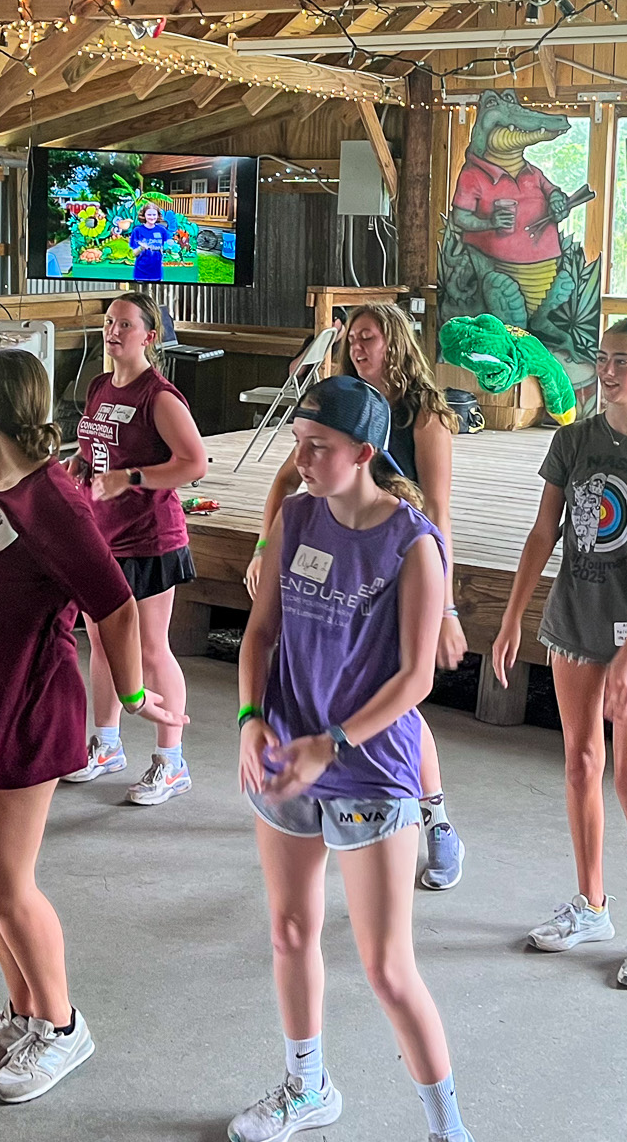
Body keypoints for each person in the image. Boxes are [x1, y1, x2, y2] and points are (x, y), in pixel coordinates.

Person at [0, 349, 182, 1104]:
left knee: (5, 881)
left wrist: (132, 693)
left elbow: (114, 604)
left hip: (19, 706)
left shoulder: (51, 501)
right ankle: (23, 1009)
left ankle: (62, 1026)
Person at [231, 376, 474, 1142]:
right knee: (289, 931)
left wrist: (332, 742)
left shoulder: (413, 542)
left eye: (318, 447)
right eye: (297, 443)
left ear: (365, 453)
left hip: (368, 767)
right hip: (286, 753)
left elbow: (417, 678)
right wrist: (249, 719)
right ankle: (307, 1087)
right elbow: (259, 632)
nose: (301, 460)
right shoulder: (296, 517)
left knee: (386, 966)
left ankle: (448, 1126)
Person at [490, 316, 627, 988]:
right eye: (602, 358)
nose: (608, 371)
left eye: (622, 360)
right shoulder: (574, 439)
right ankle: (591, 903)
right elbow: (543, 531)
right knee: (582, 762)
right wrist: (512, 617)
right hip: (573, 620)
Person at [245, 302, 470, 889]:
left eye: (369, 337)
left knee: (397, 701)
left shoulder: (423, 414)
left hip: (391, 559)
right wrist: (265, 549)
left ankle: (435, 817)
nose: (358, 346)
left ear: (395, 343)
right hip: (330, 549)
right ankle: (307, 795)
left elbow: (438, 509)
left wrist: (445, 605)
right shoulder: (331, 403)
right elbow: (286, 481)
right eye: (353, 338)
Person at [63, 290, 209, 805]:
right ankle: (106, 743)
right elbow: (96, 449)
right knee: (102, 643)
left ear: (149, 336)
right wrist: (81, 465)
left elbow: (194, 463)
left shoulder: (159, 396)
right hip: (99, 536)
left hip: (149, 539)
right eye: (109, 322)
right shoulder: (99, 386)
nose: (114, 331)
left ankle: (172, 760)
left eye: (126, 324)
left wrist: (132, 478)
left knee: (148, 649)